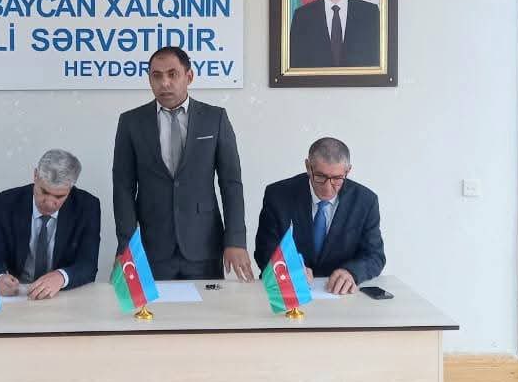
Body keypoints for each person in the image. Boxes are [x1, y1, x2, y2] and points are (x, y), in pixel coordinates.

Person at [113, 46, 252, 281]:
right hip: (151, 247)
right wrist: (126, 245)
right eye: (156, 76)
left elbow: (231, 184)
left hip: (203, 245)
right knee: (154, 306)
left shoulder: (215, 118)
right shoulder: (131, 122)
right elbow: (123, 188)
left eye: (172, 74)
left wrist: (236, 240)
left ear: (189, 76)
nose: (164, 83)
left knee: (208, 306)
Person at [253, 137, 385, 295]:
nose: (328, 188)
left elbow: (375, 256)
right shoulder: (277, 195)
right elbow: (264, 250)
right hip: (287, 293)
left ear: (347, 171)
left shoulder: (365, 201)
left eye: (337, 178)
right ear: (308, 167)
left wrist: (352, 272)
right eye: (320, 176)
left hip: (339, 295)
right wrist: (288, 267)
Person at [0, 149, 101, 300]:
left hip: (60, 295)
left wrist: (61, 276)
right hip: (18, 294)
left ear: (70, 188)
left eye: (59, 196)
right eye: (44, 192)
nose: (49, 203)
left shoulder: (87, 206)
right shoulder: (5, 203)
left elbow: (88, 264)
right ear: (35, 176)